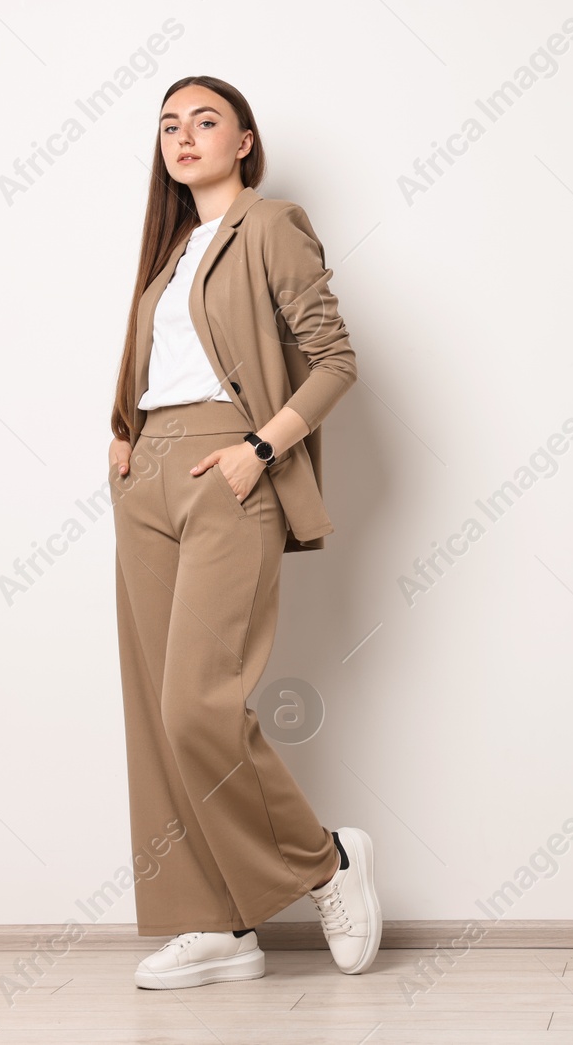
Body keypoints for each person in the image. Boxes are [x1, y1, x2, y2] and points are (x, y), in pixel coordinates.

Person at [105, 75, 379, 989]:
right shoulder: (171, 247)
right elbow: (154, 364)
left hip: (230, 467)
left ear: (245, 141)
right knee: (157, 717)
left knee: (199, 705)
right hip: (147, 478)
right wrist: (121, 432)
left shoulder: (271, 225)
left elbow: (336, 360)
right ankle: (212, 924)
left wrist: (258, 449)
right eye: (168, 126)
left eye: (204, 121)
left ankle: (325, 861)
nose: (183, 138)